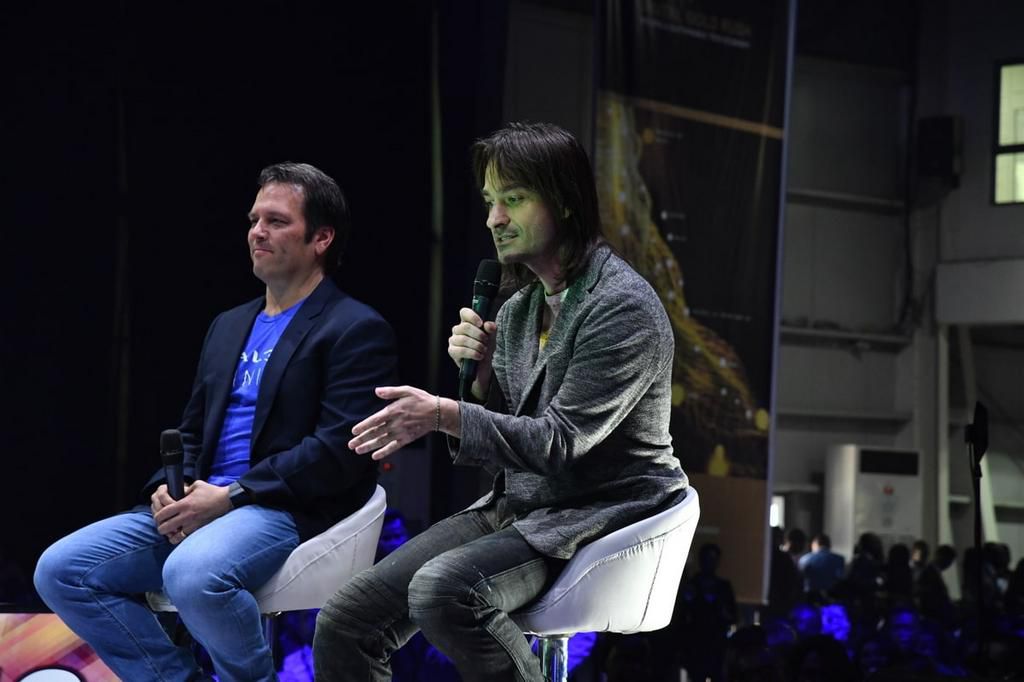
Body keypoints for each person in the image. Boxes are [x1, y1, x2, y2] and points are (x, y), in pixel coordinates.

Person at [312, 121, 689, 682]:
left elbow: (560, 444)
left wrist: (447, 411)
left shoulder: (622, 307)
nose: (494, 219)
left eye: (513, 199)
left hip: (600, 513)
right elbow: (514, 438)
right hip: (522, 507)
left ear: (563, 201)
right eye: (490, 201)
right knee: (346, 620)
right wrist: (483, 381)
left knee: (444, 591)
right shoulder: (517, 309)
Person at [34, 162, 397, 682]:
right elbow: (190, 431)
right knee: (62, 570)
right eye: (254, 219)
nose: (257, 232)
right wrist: (166, 486)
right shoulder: (228, 325)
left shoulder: (355, 328)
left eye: (276, 221)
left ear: (321, 238)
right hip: (204, 499)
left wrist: (232, 497)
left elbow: (338, 448)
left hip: (282, 508)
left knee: (191, 573)